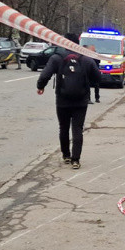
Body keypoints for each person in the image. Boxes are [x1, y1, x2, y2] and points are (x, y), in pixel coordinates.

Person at [36, 33, 101, 170]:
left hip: (62, 99)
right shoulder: (86, 58)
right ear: (77, 42)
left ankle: (66, 155)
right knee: (77, 128)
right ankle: (75, 160)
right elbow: (97, 77)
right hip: (81, 100)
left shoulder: (57, 58)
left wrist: (40, 87)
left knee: (63, 127)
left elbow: (45, 74)